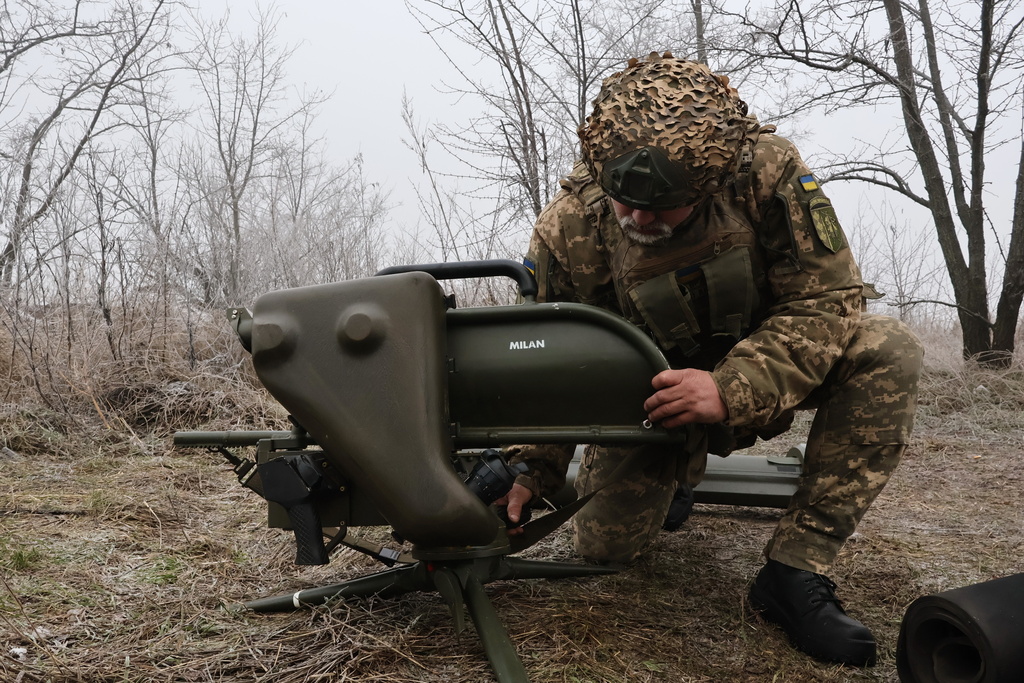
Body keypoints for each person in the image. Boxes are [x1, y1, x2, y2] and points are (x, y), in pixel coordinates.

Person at [498, 52, 923, 668]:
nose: (638, 218)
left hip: (761, 374)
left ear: (710, 185)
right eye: (624, 200)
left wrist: (730, 388)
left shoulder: (766, 175)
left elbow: (826, 299)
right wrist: (530, 469)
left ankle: (793, 571)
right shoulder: (569, 228)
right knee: (604, 556)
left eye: (662, 205)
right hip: (647, 407)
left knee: (887, 349)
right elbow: (548, 359)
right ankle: (674, 469)